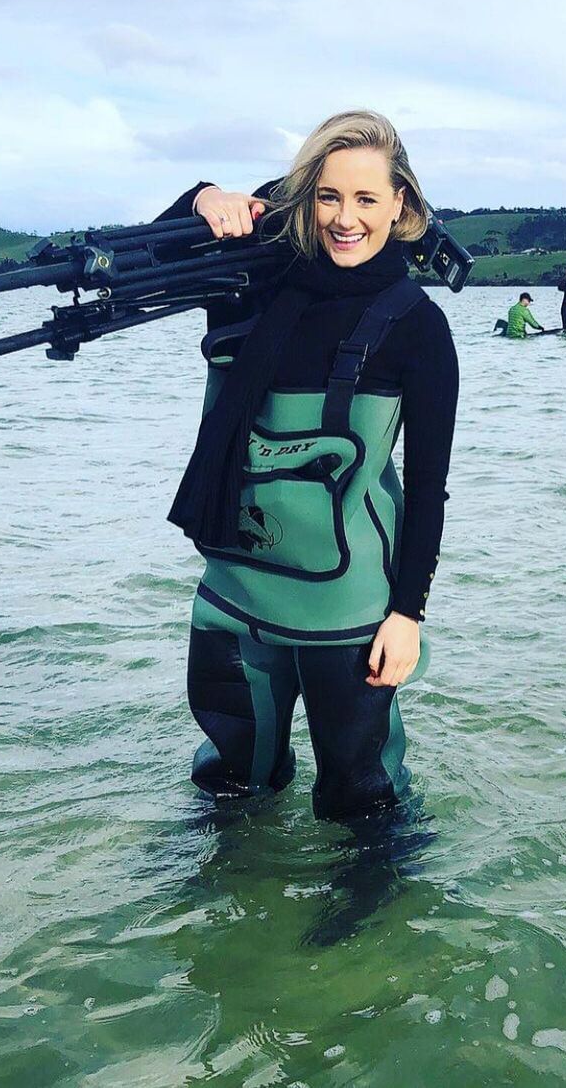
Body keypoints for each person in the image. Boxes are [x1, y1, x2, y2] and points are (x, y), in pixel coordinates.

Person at [155, 110, 459, 820]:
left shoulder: (417, 326)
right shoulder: (248, 284)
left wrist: (407, 615)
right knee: (229, 791)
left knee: (363, 804)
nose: (345, 219)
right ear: (306, 199)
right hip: (234, 596)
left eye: (365, 199)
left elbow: (428, 489)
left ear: (400, 205)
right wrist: (203, 198)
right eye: (328, 197)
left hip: (347, 614)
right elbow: (151, 261)